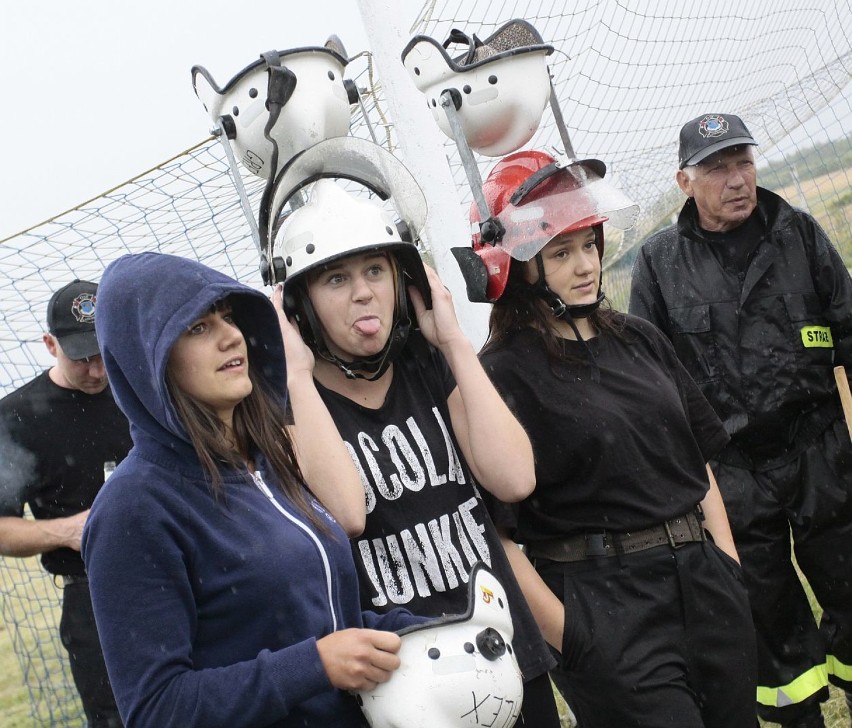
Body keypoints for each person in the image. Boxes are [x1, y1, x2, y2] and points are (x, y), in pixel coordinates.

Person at [459, 150, 759, 727]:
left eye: (588, 245)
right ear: (516, 266)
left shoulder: (639, 339)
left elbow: (697, 464)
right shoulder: (499, 375)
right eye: (560, 253)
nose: (585, 266)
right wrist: (575, 639)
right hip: (603, 607)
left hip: (704, 583)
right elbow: (494, 534)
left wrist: (725, 563)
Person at [81, 252, 424, 728]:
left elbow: (317, 623)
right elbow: (158, 708)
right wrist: (315, 666)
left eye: (227, 316)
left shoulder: (263, 460)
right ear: (146, 359)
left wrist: (415, 632)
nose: (231, 336)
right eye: (197, 328)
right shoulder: (133, 508)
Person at [275, 177, 563, 726]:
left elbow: (514, 479)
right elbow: (347, 514)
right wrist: (295, 376)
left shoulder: (428, 364)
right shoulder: (295, 405)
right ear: (300, 305)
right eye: (337, 278)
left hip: (500, 649)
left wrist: (453, 341)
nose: (364, 293)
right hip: (405, 686)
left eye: (376, 271)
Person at [629, 113, 852, 728]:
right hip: (734, 476)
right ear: (684, 181)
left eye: (744, 162)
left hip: (821, 455)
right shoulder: (657, 264)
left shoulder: (799, 234)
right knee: (766, 611)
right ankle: (801, 718)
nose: (737, 180)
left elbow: (849, 326)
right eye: (718, 168)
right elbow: (653, 385)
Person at [0, 279, 130, 728]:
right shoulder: (16, 417)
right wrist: (71, 530)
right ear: (49, 344)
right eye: (81, 358)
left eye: (103, 353)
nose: (97, 371)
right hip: (95, 600)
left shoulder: (142, 382)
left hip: (187, 572)